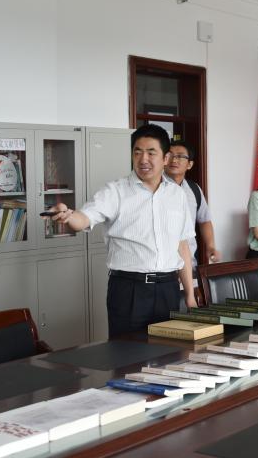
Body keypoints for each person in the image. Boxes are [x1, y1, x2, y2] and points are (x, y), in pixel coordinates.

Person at [46, 124, 197, 336]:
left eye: (151, 152)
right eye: (137, 152)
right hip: (129, 289)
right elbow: (85, 217)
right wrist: (69, 215)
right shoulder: (115, 191)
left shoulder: (177, 195)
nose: (143, 159)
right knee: (126, 351)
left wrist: (189, 295)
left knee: (170, 351)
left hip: (168, 289)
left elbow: (182, 245)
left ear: (165, 158)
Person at [164, 139, 220, 264]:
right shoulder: (155, 187)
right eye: (170, 155)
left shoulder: (194, 189)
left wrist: (211, 246)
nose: (174, 160)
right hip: (162, 265)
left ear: (189, 164)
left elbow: (204, 220)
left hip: (189, 261)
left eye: (180, 156)